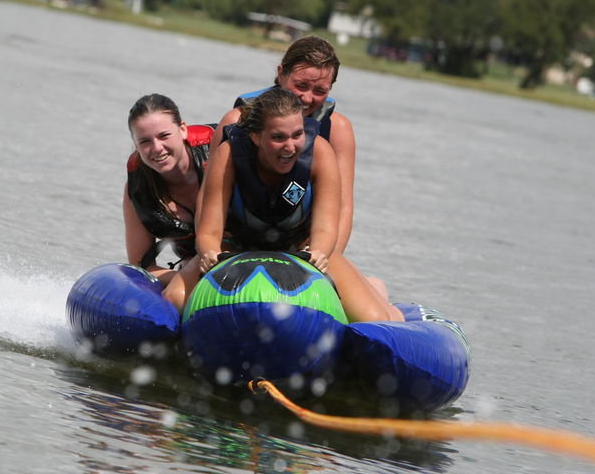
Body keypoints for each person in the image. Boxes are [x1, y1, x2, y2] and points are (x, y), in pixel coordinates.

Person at [196, 88, 401, 322]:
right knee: (177, 299)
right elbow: (209, 231)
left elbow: (325, 228)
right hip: (236, 249)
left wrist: (319, 253)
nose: (290, 146)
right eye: (278, 137)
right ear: (255, 137)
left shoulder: (320, 152)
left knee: (374, 318)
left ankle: (376, 289)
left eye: (297, 134)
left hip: (302, 251)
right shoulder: (228, 154)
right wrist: (210, 253)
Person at [212, 35, 357, 254]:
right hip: (235, 242)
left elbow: (344, 207)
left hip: (303, 247)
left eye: (320, 91)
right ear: (281, 74)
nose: (307, 98)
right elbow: (209, 196)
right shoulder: (235, 121)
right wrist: (212, 250)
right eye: (300, 85)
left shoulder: (338, 130)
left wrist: (327, 257)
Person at [123, 93, 212, 311]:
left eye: (164, 136)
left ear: (183, 129)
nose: (157, 148)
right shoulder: (138, 188)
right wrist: (182, 278)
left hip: (238, 247)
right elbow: (142, 266)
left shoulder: (219, 152)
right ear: (135, 144)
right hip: (192, 264)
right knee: (175, 297)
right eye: (145, 141)